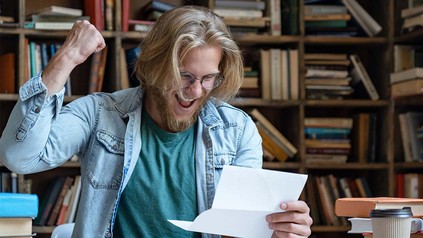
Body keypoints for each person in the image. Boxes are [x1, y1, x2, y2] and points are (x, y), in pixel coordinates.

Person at [0, 5, 312, 238]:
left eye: (209, 79)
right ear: (154, 66)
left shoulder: (238, 131)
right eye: (185, 76)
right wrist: (66, 57)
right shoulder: (100, 115)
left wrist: (277, 231)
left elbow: (244, 229)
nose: (195, 90)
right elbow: (18, 158)